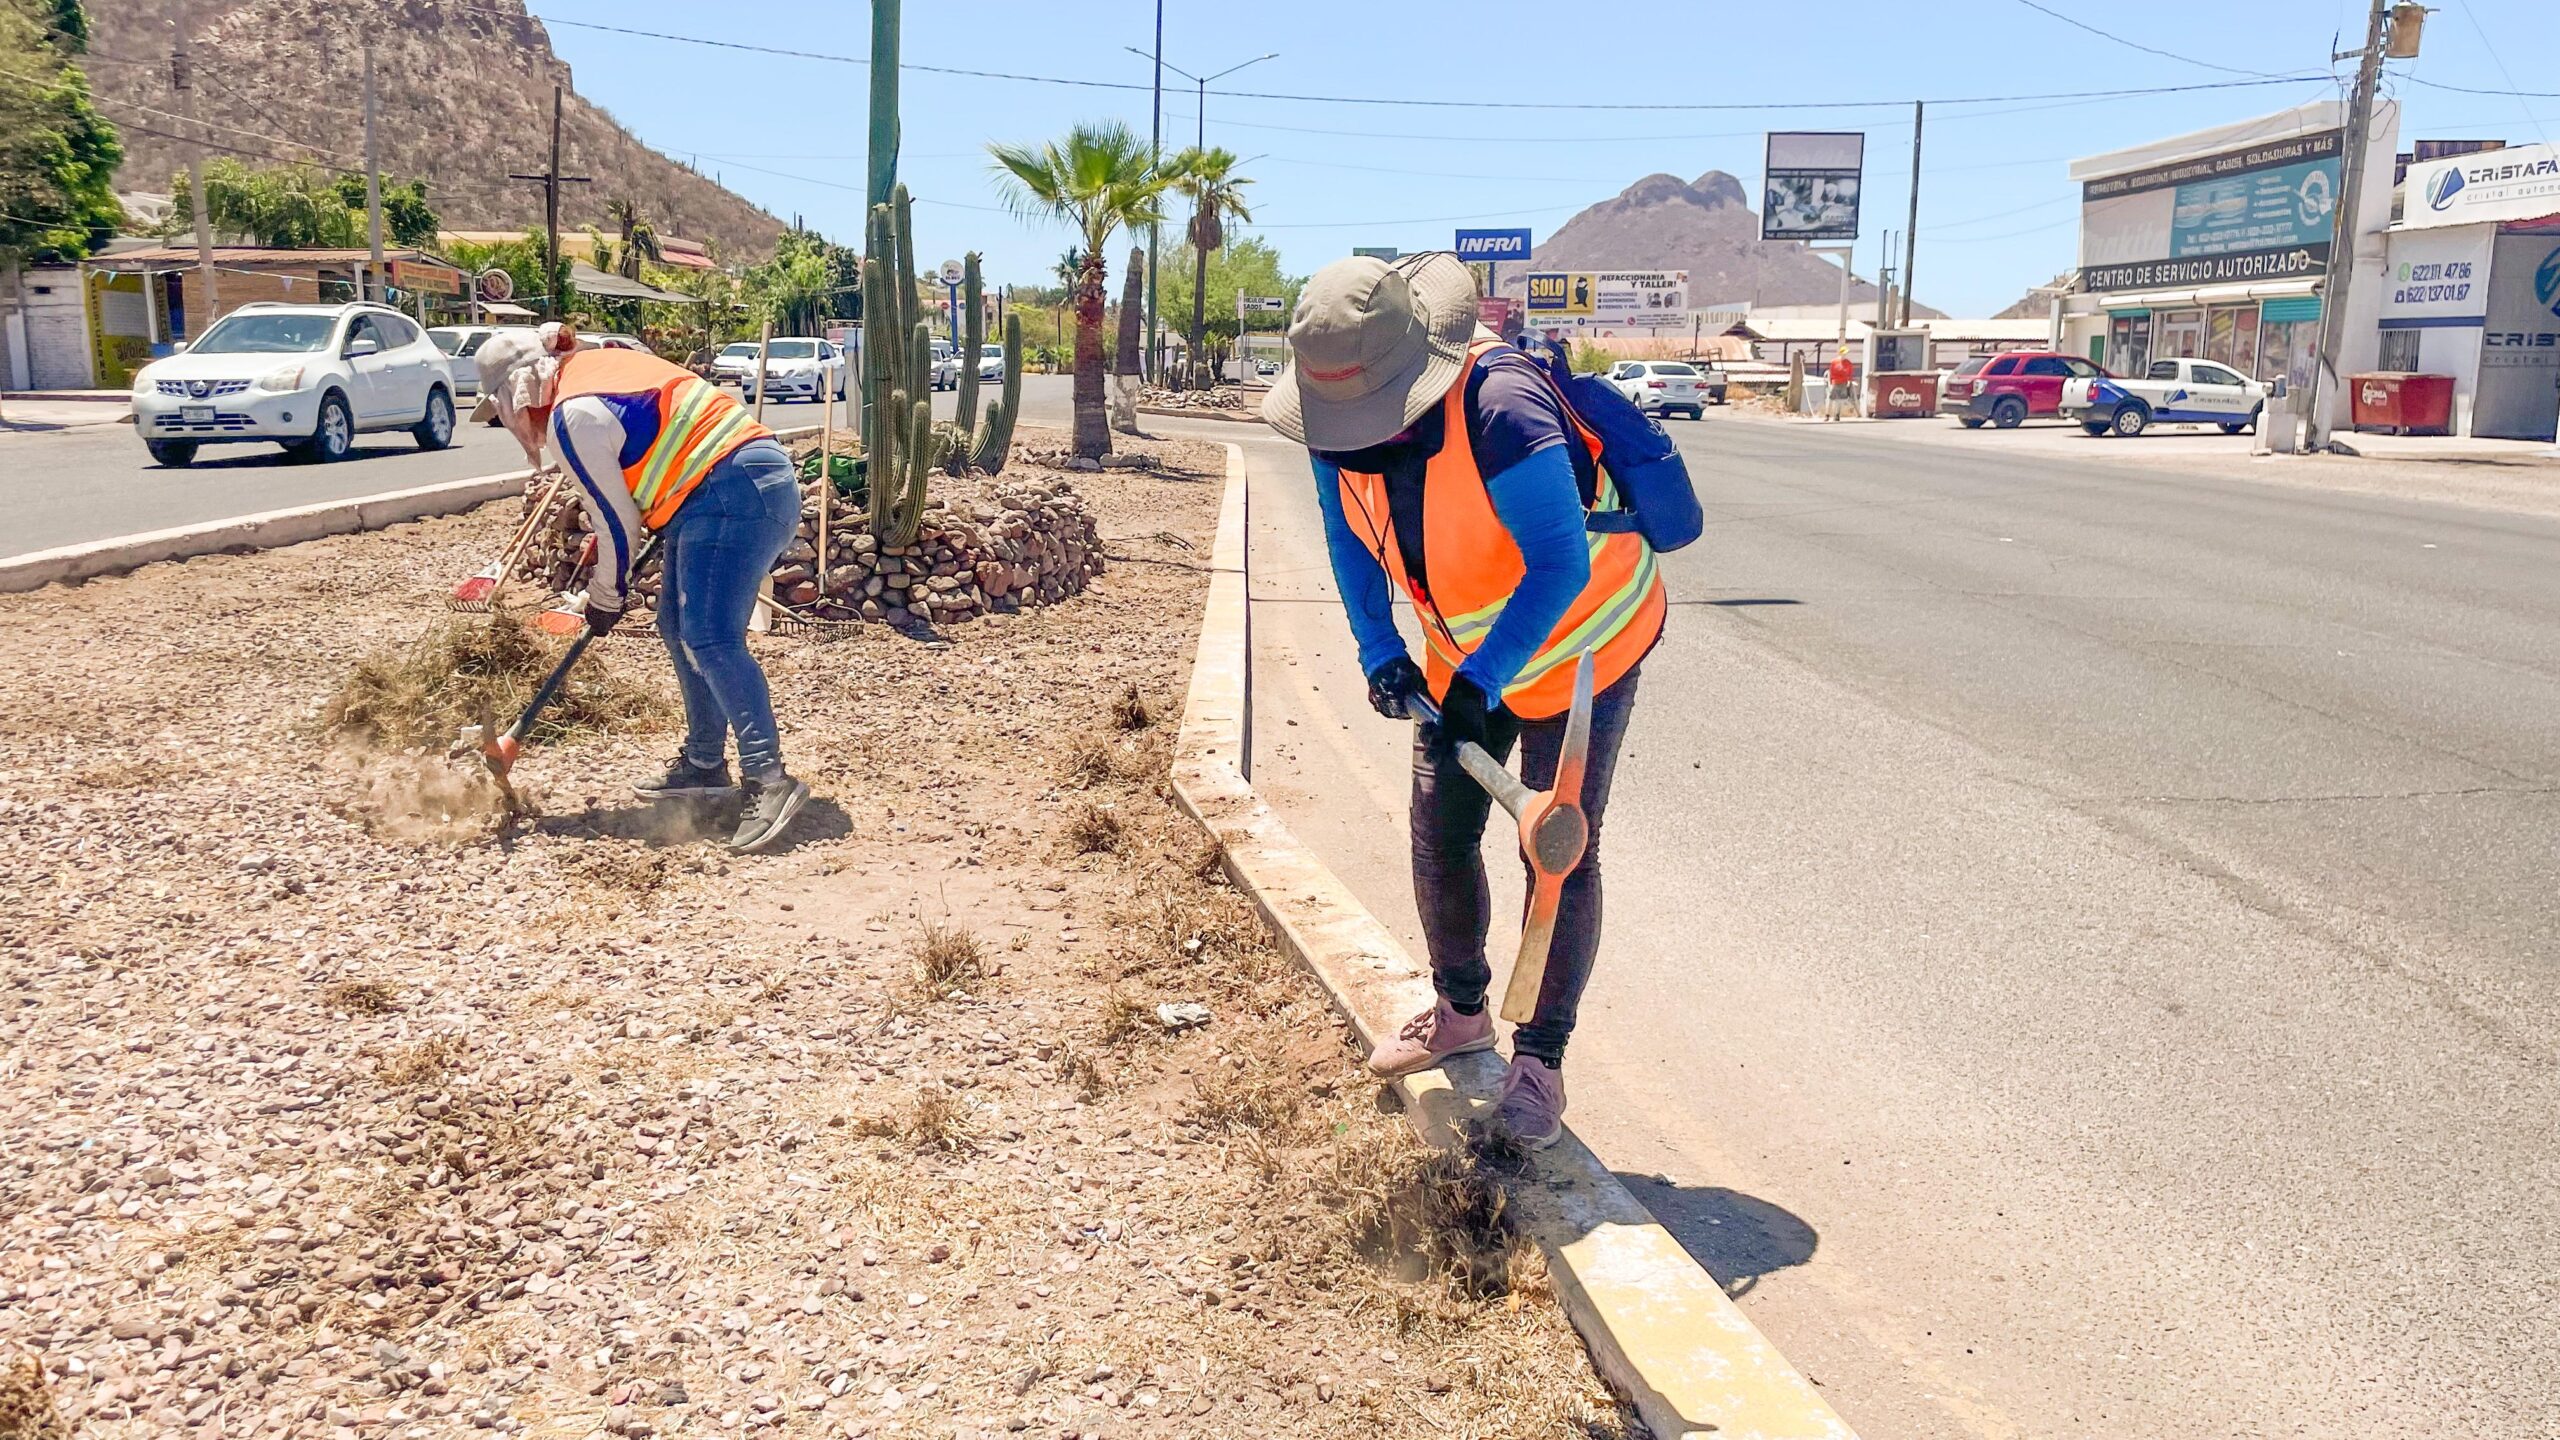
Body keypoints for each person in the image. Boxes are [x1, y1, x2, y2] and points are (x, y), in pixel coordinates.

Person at [1262, 254, 1666, 1149]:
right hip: (1467, 655)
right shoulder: (1337, 418)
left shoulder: (1501, 407)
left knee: (1557, 847)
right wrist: (1381, 650)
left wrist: (1485, 685)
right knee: (1438, 828)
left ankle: (1542, 1060)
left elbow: (1559, 564)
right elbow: (1351, 539)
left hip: (1584, 645)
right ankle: (1460, 1010)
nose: (1351, 435)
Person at [477, 324, 812, 854]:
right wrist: (609, 586)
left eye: (499, 415)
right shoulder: (597, 369)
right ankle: (704, 762)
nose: (505, 425)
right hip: (728, 487)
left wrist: (605, 596)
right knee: (677, 626)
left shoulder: (573, 414)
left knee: (710, 636)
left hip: (733, 492)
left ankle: (769, 779)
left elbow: (615, 525)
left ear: (519, 393)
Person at [1823, 350, 1857, 421]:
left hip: (1843, 383)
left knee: (1839, 399)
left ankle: (1837, 415)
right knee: (1830, 398)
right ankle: (1827, 415)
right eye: (1843, 353)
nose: (1844, 354)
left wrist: (1849, 381)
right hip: (1835, 382)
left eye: (1845, 353)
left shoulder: (1848, 363)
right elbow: (1831, 373)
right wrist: (1830, 383)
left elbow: (1850, 373)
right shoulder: (1834, 362)